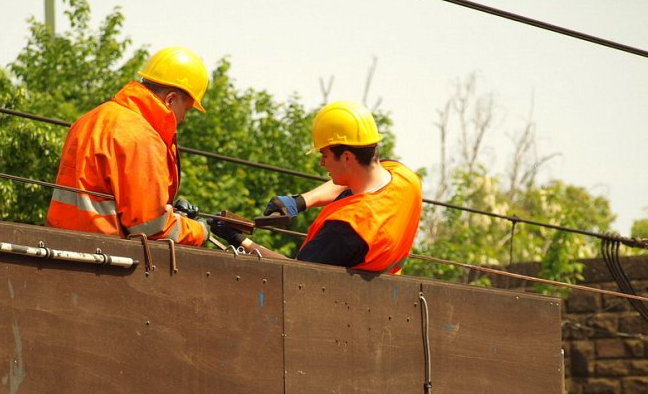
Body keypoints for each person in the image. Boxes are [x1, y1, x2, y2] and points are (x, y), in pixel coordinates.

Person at [209, 100, 422, 274]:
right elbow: (350, 181)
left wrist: (240, 241)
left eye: (325, 155)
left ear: (347, 157)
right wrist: (300, 201)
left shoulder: (348, 227)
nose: (322, 163)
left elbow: (295, 273)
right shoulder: (404, 177)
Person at [46, 46, 209, 245]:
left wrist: (173, 213)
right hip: (106, 258)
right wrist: (200, 231)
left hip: (58, 247)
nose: (183, 119)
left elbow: (110, 199)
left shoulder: (89, 119)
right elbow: (151, 228)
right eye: (187, 109)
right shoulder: (142, 136)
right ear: (171, 99)